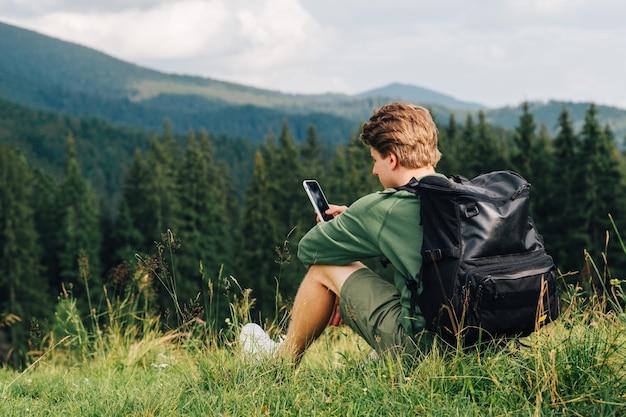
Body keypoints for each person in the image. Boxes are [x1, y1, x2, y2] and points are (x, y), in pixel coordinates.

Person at [240, 102, 443, 364]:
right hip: (477, 342)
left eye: (375, 160)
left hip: (423, 349)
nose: (374, 170)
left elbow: (310, 248)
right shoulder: (463, 197)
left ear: (391, 159)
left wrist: (355, 228)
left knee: (323, 268)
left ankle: (279, 362)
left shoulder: (389, 206)